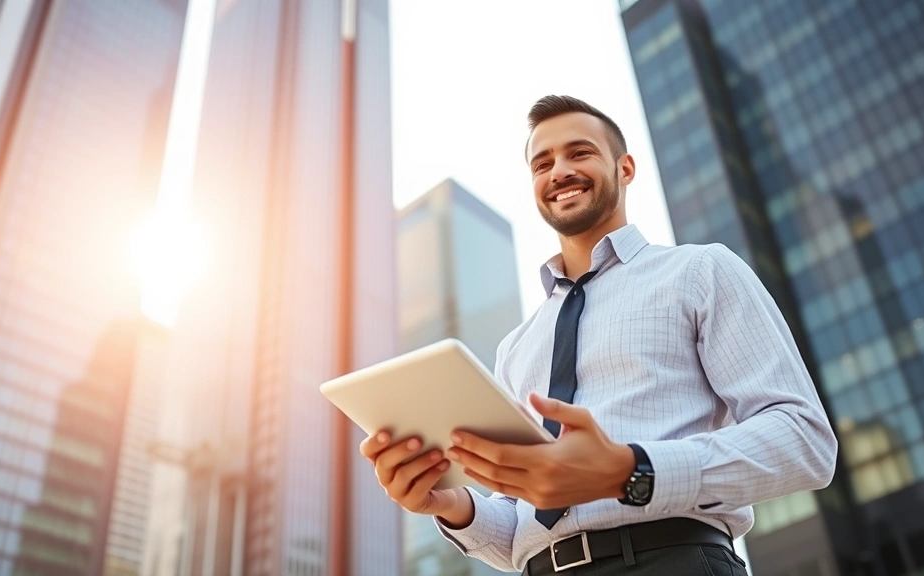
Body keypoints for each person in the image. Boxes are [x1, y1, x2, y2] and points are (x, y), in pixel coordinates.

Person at [359, 95, 837, 575]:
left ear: (625, 168)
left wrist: (632, 470)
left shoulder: (698, 271)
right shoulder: (516, 348)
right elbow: (517, 531)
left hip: (670, 561)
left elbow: (806, 441)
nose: (559, 170)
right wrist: (451, 504)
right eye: (541, 163)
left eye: (579, 152)